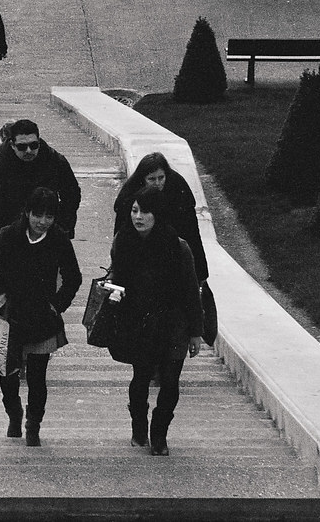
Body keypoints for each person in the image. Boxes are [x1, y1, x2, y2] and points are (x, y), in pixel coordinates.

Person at [0, 188, 82, 446]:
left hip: (43, 317)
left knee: (37, 376)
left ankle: (34, 425)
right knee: (7, 374)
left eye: (49, 217)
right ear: (28, 213)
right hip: (11, 315)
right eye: (38, 215)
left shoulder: (59, 239)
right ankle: (14, 413)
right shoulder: (10, 235)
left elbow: (73, 277)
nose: (42, 222)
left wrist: (57, 304)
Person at [108, 186, 204, 456]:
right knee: (140, 378)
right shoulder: (123, 241)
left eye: (145, 211)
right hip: (138, 322)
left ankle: (159, 433)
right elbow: (117, 277)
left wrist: (196, 332)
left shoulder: (178, 246)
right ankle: (139, 427)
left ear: (158, 214)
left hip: (173, 324)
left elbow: (190, 291)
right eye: (134, 210)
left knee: (171, 382)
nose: (138, 216)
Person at [0, 119, 81, 242]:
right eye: (22, 147)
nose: (28, 151)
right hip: (10, 236)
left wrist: (61, 227)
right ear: (12, 145)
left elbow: (72, 195)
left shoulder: (55, 162)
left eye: (33, 145)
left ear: (39, 142)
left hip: (48, 236)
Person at [112, 152, 208, 296]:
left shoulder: (177, 189)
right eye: (151, 179)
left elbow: (192, 233)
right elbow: (120, 232)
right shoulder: (130, 195)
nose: (157, 183)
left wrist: (200, 272)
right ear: (143, 179)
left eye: (161, 178)